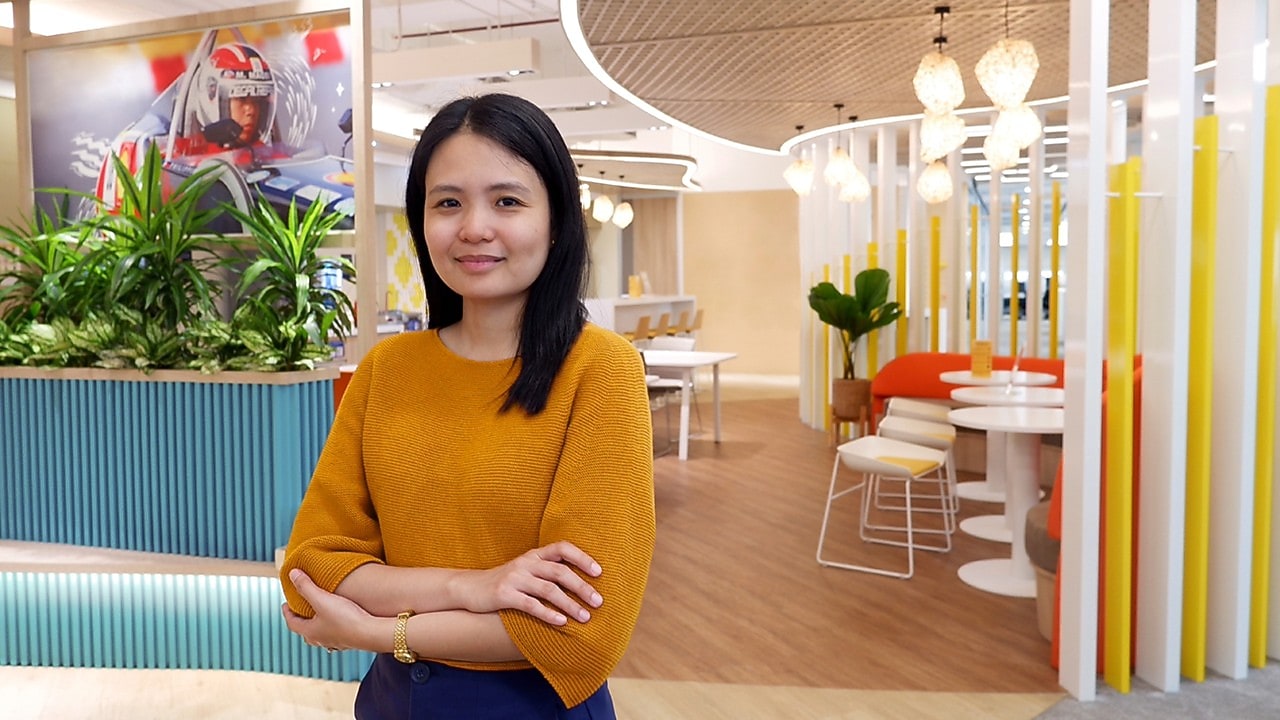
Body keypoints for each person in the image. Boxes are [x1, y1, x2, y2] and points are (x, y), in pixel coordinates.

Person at [277, 93, 656, 719]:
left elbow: (580, 629)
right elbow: (312, 568)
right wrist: (473, 588)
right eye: (447, 202)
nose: (474, 227)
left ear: (557, 219)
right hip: (392, 704)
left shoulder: (600, 370)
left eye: (507, 201)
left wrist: (375, 630)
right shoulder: (386, 370)